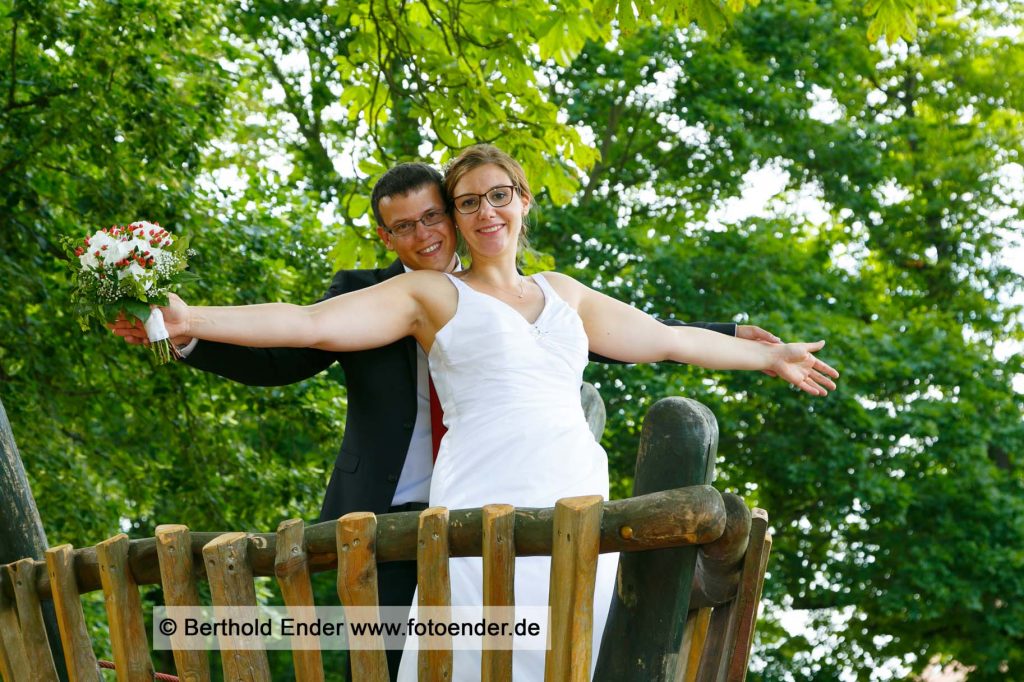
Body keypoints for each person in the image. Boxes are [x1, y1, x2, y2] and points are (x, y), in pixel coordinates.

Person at [139, 144, 838, 680]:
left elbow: (664, 339)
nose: (485, 213)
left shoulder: (563, 292)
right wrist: (188, 316)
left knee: (572, 646)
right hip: (483, 493)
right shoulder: (429, 296)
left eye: (497, 196)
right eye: (469, 202)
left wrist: (767, 357)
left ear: (524, 200)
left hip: (574, 489)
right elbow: (307, 323)